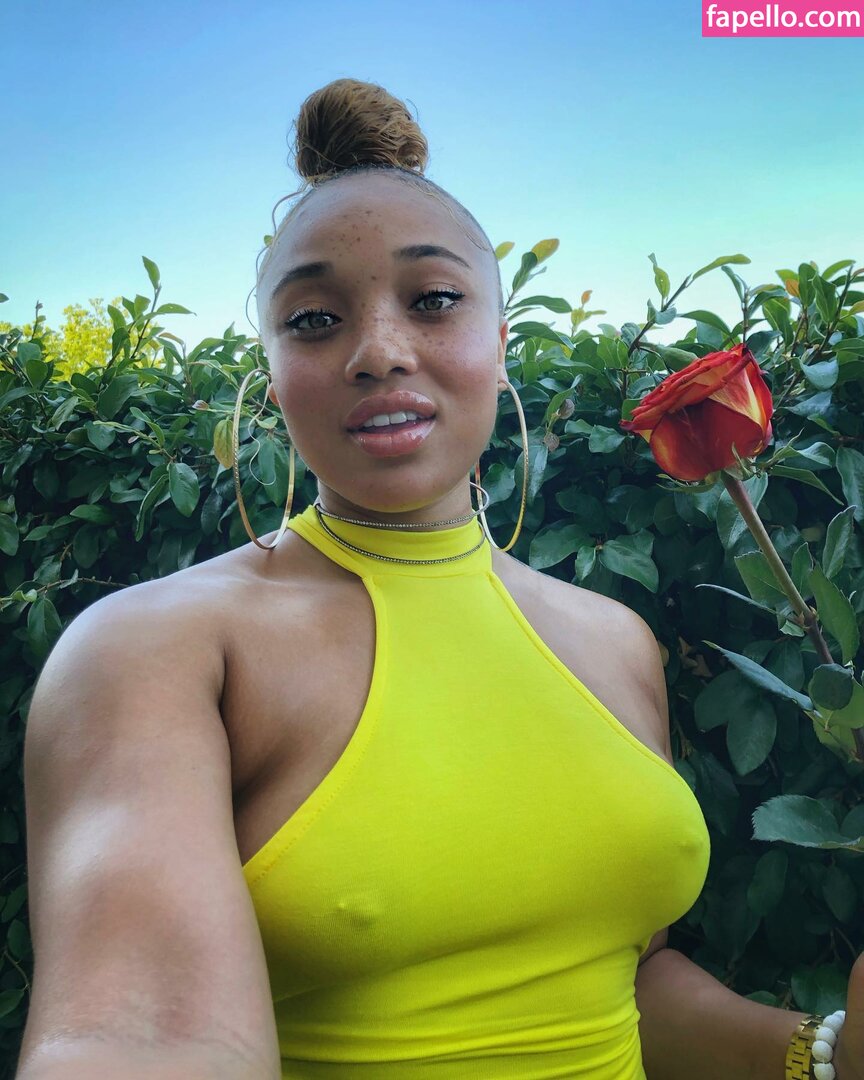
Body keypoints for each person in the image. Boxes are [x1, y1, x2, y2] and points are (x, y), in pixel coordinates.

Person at [17, 79, 854, 1080]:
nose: (378, 352)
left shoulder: (613, 638)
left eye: (435, 300)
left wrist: (823, 1052)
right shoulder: (152, 649)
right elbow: (136, 1036)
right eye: (314, 318)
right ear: (271, 375)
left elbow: (620, 982)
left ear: (500, 343)